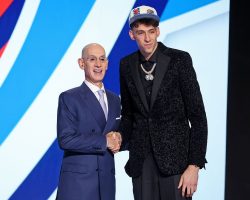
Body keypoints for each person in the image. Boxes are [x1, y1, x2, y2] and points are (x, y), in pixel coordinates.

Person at [119, 5, 208, 200]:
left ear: (158, 31)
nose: (148, 38)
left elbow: (198, 116)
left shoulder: (179, 60)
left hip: (176, 164)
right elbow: (128, 115)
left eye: (151, 31)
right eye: (140, 33)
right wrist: (118, 136)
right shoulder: (126, 65)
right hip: (141, 163)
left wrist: (194, 165)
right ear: (132, 34)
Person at [56, 43, 122, 200]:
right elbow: (65, 139)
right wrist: (104, 142)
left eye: (102, 59)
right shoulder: (69, 98)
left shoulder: (114, 99)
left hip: (106, 185)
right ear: (81, 63)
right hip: (78, 185)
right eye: (92, 59)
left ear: (107, 64)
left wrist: (120, 138)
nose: (98, 64)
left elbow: (117, 134)